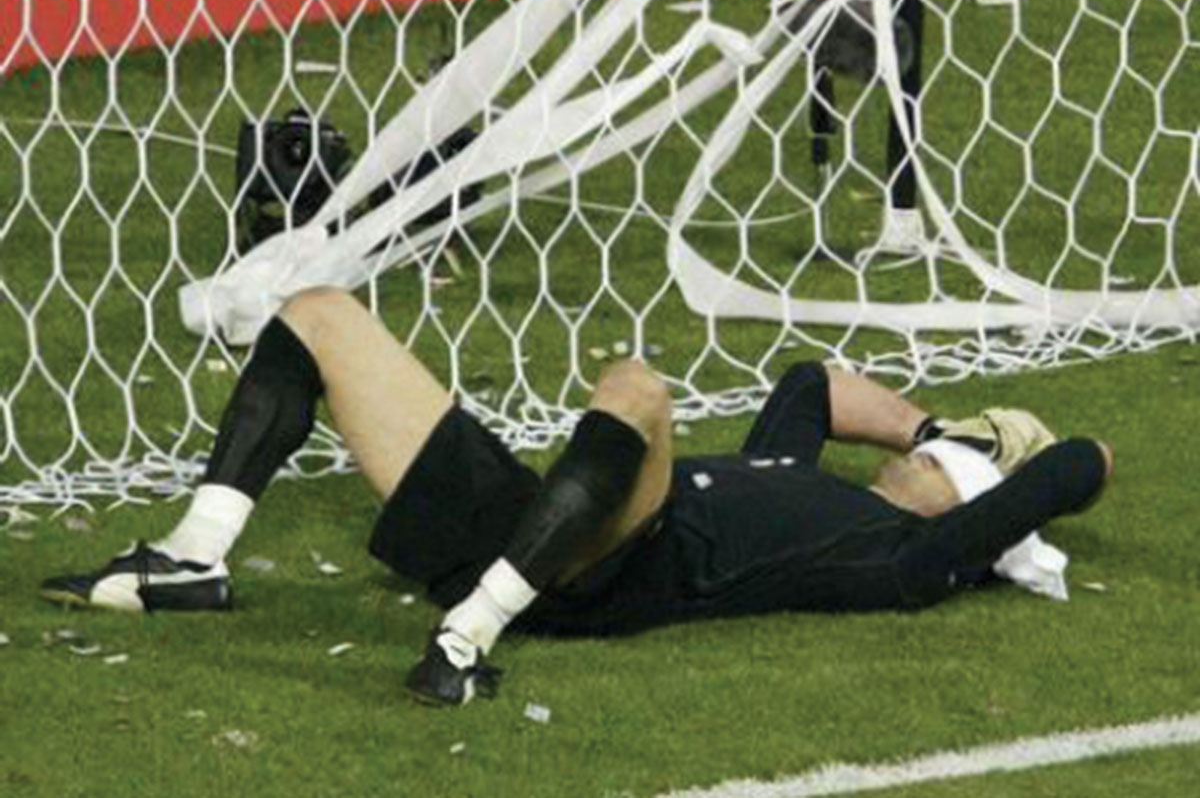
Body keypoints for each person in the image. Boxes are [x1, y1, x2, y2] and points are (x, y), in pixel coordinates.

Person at [41, 288, 1113, 707]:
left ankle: (466, 639)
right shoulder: (794, 475)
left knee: (638, 387)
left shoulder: (905, 561)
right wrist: (932, 426)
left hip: (608, 570)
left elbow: (1083, 463)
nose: (922, 460)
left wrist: (1005, 474)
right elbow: (811, 385)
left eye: (944, 465)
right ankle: (194, 556)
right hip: (537, 526)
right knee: (317, 315)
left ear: (968, 506)